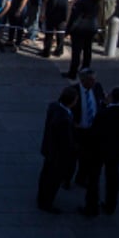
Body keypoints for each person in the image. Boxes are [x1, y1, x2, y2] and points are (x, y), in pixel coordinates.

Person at [83, 87, 119, 217]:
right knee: (113, 177)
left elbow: (94, 131)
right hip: (116, 149)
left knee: (94, 177)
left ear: (110, 97)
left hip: (100, 149)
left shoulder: (102, 114)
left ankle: (91, 206)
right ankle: (111, 205)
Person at [38, 86, 78, 214]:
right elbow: (66, 142)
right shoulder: (64, 119)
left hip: (49, 149)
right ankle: (47, 202)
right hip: (58, 155)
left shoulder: (54, 107)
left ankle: (41, 198)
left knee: (45, 175)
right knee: (53, 179)